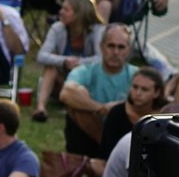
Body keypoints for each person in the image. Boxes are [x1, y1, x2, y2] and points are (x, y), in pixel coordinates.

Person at [58, 21, 136, 159]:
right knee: (78, 96)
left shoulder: (136, 75)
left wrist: (118, 108)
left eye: (121, 47)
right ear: (101, 47)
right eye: (111, 46)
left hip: (126, 132)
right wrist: (101, 108)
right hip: (92, 133)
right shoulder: (87, 71)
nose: (115, 52)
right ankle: (106, 149)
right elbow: (66, 94)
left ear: (128, 50)